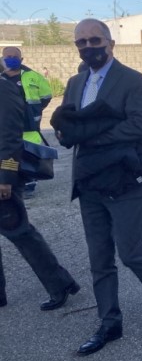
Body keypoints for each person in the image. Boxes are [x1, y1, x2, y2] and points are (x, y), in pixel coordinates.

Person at [53, 19, 142, 356]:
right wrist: (65, 133)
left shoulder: (131, 79)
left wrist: (91, 137)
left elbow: (138, 125)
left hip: (125, 179)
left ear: (110, 43)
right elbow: (70, 123)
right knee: (99, 258)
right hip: (89, 181)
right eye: (81, 42)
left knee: (131, 252)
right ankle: (109, 323)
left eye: (95, 40)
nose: (88, 47)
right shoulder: (75, 82)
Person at [0, 72, 79, 311]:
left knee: (19, 231)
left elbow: (10, 137)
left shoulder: (3, 88)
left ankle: (60, 284)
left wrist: (6, 177)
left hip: (2, 176)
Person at [1, 47, 53, 197]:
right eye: (8, 56)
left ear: (22, 59)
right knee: (9, 152)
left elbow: (46, 95)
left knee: (29, 154)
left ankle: (29, 183)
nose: (11, 59)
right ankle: (9, 179)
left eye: (15, 57)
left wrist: (35, 110)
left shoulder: (33, 76)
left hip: (29, 124)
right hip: (8, 124)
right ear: (2, 59)